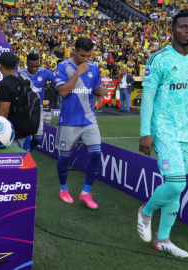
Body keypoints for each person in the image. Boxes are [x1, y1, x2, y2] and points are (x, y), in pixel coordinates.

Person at [137, 13, 188, 258]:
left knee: (175, 190)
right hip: (164, 130)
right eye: (183, 26)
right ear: (172, 29)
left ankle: (163, 239)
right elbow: (148, 97)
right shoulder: (159, 58)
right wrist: (145, 133)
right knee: (176, 183)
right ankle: (145, 211)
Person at [55, 37, 108, 209]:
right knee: (64, 157)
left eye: (89, 56)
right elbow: (62, 92)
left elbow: (95, 90)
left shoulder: (94, 68)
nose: (86, 59)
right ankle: (63, 189)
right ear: (75, 51)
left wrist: (100, 91)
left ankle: (85, 192)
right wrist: (78, 72)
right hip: (69, 121)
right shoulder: (63, 67)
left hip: (89, 119)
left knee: (96, 154)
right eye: (83, 55)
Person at [18, 53, 60, 151]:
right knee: (27, 139)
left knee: (38, 139)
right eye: (32, 66)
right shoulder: (20, 73)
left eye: (36, 66)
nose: (34, 69)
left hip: (37, 110)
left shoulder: (44, 72)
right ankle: (27, 156)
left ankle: (30, 151)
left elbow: (58, 80)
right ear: (27, 64)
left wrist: (58, 84)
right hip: (24, 111)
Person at [0, 52, 27, 147]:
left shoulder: (5, 85)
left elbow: (4, 112)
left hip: (9, 133)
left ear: (0, 65)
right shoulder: (22, 80)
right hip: (22, 130)